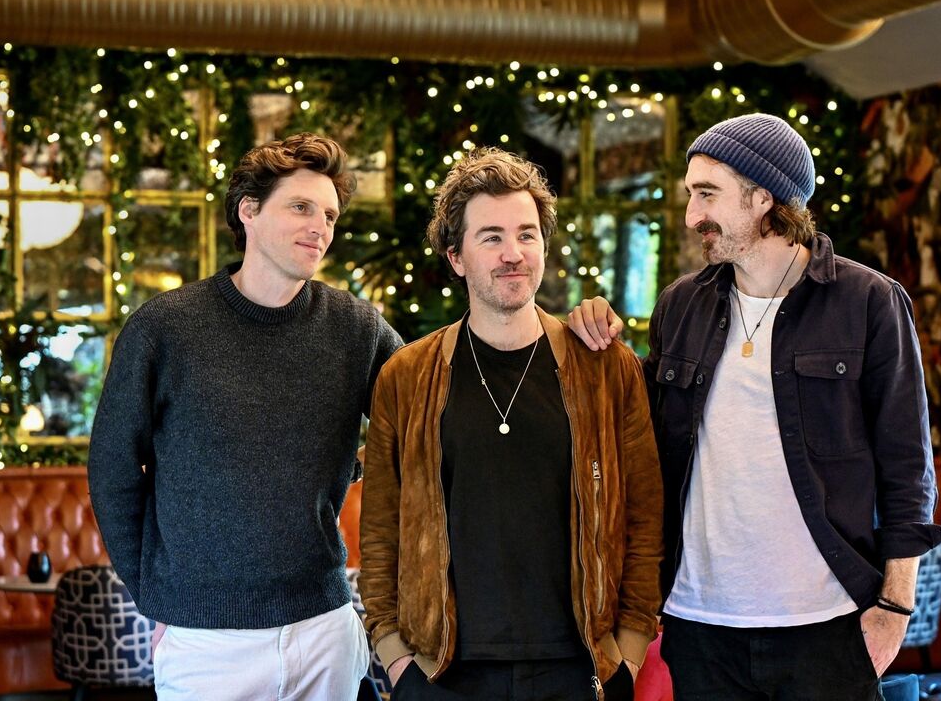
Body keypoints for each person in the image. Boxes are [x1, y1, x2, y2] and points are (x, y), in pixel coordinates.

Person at [568, 113, 941, 700]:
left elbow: (908, 470)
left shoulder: (869, 302)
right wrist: (594, 342)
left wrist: (894, 608)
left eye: (707, 194)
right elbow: (638, 442)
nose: (693, 215)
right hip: (700, 626)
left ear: (762, 197)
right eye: (692, 195)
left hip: (828, 625)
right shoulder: (679, 306)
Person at [88, 133, 403, 701]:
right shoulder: (166, 328)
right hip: (206, 642)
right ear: (249, 211)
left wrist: (561, 336)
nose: (321, 227)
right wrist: (152, 597)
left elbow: (430, 413)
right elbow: (111, 470)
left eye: (330, 214)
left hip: (322, 627)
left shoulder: (357, 328)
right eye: (301, 207)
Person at [358, 148, 663, 701]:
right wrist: (398, 662)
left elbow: (643, 517)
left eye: (527, 235)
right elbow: (381, 531)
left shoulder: (604, 367)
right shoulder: (407, 376)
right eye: (491, 237)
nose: (513, 254)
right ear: (456, 257)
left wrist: (630, 653)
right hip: (443, 671)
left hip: (581, 670)